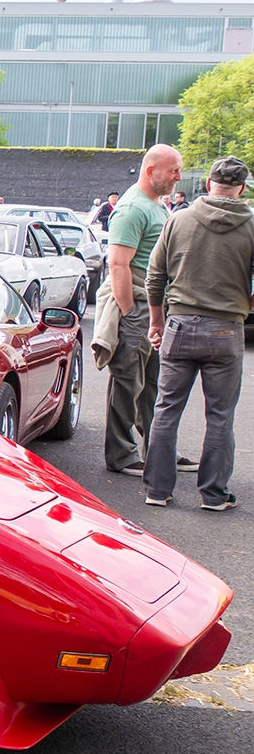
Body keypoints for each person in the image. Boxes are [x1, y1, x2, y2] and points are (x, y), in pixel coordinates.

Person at [143, 157, 254, 510]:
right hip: (226, 327)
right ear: (243, 188)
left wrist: (156, 322)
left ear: (208, 183)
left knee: (166, 409)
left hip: (180, 324)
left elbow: (155, 277)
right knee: (220, 415)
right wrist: (245, 305)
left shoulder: (179, 219)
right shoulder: (250, 224)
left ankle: (157, 491)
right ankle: (213, 494)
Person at [98, 145, 188, 477]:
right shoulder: (132, 208)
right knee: (127, 382)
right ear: (151, 170)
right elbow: (118, 264)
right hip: (137, 308)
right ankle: (121, 454)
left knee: (153, 385)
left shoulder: (154, 206)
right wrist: (129, 310)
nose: (179, 176)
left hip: (153, 309)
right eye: (173, 170)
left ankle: (159, 448)